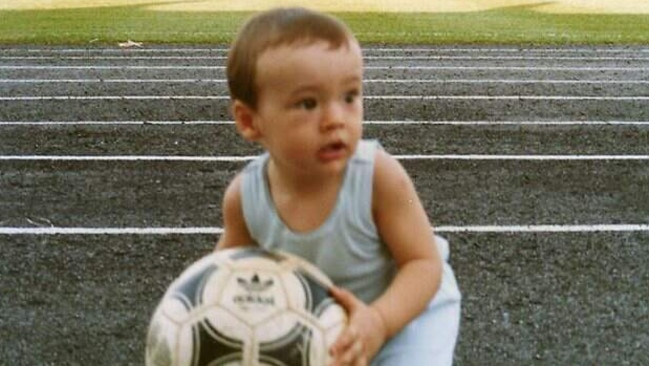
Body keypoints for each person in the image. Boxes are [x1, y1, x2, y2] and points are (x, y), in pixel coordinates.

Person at [216, 7, 461, 366]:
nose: (335, 119)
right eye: (308, 103)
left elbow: (424, 264)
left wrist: (379, 321)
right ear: (250, 121)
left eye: (349, 97)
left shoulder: (377, 175)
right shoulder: (246, 197)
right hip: (323, 323)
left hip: (407, 313)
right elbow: (223, 278)